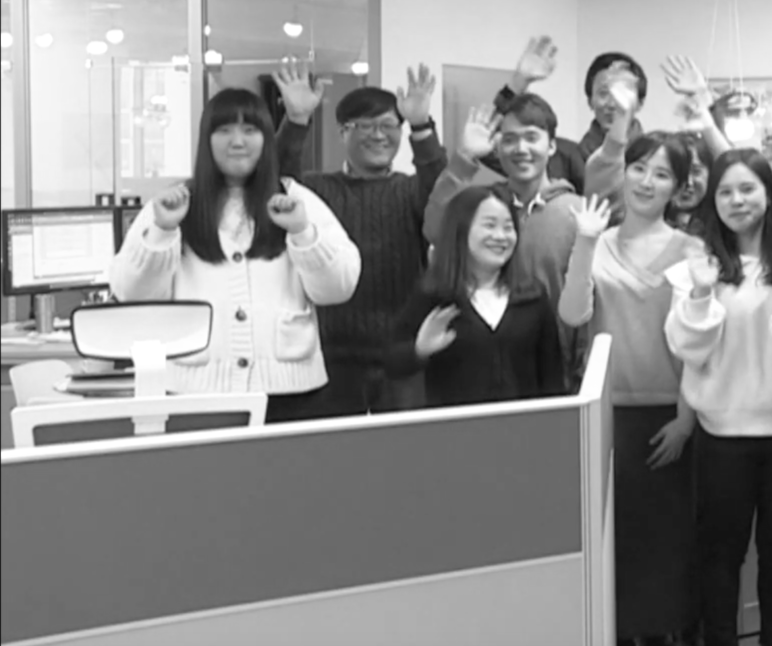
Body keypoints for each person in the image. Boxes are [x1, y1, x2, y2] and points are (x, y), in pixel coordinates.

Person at [666, 149, 772, 646]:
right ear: (712, 201)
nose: (737, 201)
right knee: (722, 551)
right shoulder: (697, 266)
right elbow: (689, 349)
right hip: (722, 433)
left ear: (769, 194)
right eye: (726, 192)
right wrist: (700, 292)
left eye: (748, 189)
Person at [109, 87, 362, 418]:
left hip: (292, 394)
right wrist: (162, 231)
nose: (237, 141)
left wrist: (302, 232)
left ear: (266, 139)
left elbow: (339, 287)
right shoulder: (174, 203)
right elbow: (130, 293)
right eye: (224, 130)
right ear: (206, 140)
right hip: (194, 395)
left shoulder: (298, 199)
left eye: (250, 130)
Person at [558, 135, 700, 646]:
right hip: (604, 411)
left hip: (670, 412)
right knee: (613, 536)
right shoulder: (596, 240)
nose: (646, 181)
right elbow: (574, 314)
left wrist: (686, 418)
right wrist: (585, 243)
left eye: (661, 174)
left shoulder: (692, 250)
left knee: (664, 536)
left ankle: (659, 642)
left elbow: (700, 344)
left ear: (678, 187)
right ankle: (617, 641)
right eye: (638, 168)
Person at [270, 62, 446, 416]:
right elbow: (274, 183)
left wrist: (421, 126)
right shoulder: (317, 190)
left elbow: (440, 193)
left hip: (403, 355)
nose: (378, 135)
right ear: (342, 132)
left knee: (405, 447)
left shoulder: (410, 191)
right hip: (328, 356)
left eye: (389, 125)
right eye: (365, 126)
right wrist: (296, 120)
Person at [387, 183, 570, 407]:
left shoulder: (532, 296)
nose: (500, 236)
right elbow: (392, 362)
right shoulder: (434, 295)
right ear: (461, 230)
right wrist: (418, 350)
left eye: (508, 227)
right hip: (457, 426)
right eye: (489, 225)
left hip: (523, 425)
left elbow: (552, 378)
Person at [426, 95, 585, 314]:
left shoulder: (578, 212)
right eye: (509, 139)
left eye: (531, 138)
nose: (521, 149)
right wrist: (466, 157)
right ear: (498, 148)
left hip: (557, 334)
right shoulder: (485, 205)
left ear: (551, 146)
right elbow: (435, 228)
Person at [492, 37, 648, 194]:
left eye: (623, 93)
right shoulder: (565, 157)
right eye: (604, 93)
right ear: (590, 101)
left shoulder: (656, 155)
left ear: (640, 103)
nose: (613, 103)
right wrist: (518, 82)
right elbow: (489, 139)